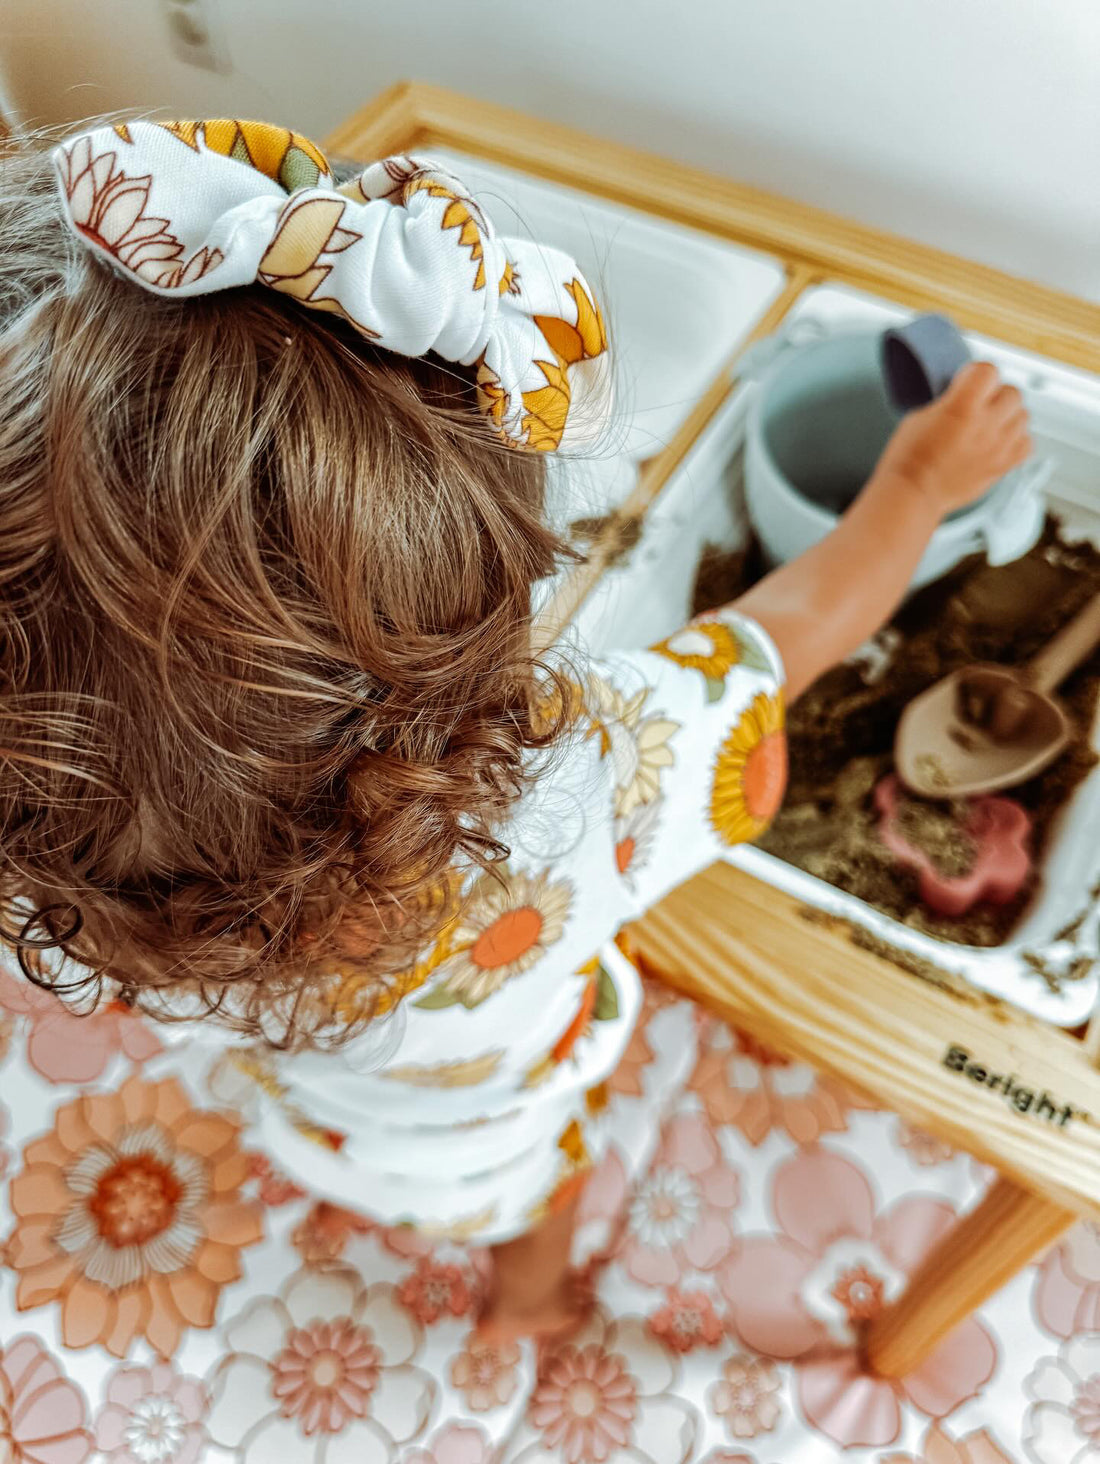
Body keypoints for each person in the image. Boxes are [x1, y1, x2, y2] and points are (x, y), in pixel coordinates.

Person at [0, 117, 1031, 1342]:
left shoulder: (72, 874)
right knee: (528, 1192)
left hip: (306, 1098)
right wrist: (913, 484)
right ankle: (530, 1299)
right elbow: (785, 632)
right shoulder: (585, 786)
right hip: (494, 1120)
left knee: (348, 1145)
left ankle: (354, 1204)